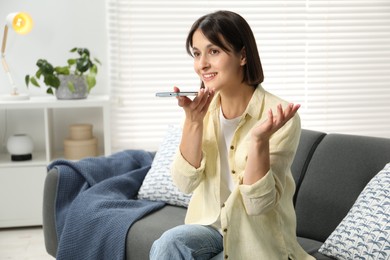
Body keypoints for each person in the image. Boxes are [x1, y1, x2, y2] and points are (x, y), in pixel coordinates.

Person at [150, 10, 315, 260]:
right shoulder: (203, 111)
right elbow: (185, 184)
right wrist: (193, 123)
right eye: (197, 53)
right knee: (167, 244)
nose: (202, 64)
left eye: (214, 51)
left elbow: (257, 205)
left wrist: (259, 140)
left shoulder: (279, 117)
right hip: (210, 230)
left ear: (243, 55)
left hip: (256, 240)